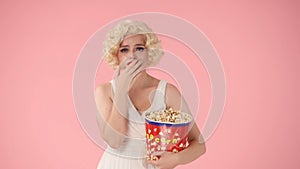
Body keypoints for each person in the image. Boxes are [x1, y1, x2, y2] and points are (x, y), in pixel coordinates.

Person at [94, 20, 206, 169]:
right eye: (124, 50)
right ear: (116, 55)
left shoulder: (167, 93)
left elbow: (199, 145)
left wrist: (175, 159)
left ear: (149, 52)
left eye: (139, 48)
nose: (132, 56)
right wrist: (120, 90)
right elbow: (114, 141)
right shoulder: (104, 92)